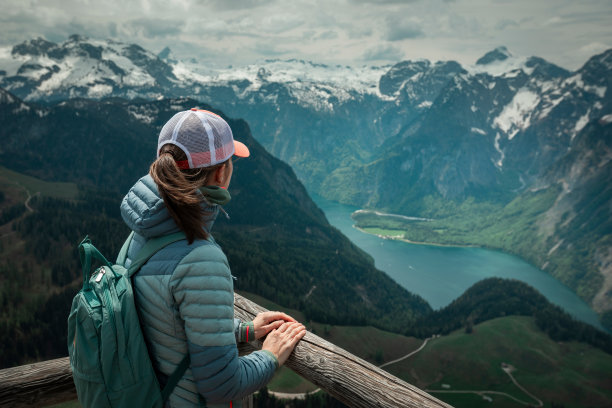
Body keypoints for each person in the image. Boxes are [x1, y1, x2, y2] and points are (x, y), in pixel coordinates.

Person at [119, 108, 306, 407]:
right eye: (230, 162)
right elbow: (222, 385)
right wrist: (270, 354)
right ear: (221, 173)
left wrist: (243, 330)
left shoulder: (141, 234)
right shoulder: (200, 258)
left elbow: (165, 326)